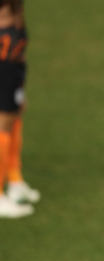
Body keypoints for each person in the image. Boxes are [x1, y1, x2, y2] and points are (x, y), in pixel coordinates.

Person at [0, 0, 39, 218]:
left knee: (15, 120)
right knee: (2, 127)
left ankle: (14, 180)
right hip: (3, 70)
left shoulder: (16, 9)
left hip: (14, 70)